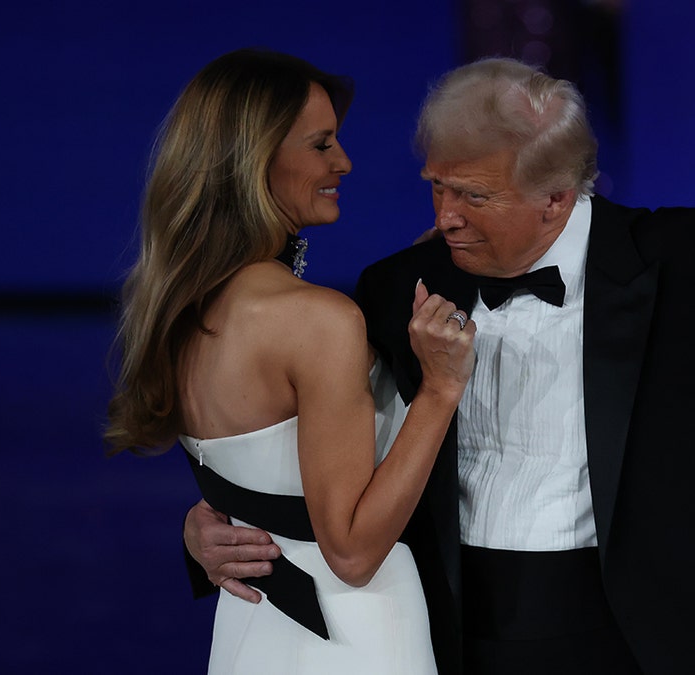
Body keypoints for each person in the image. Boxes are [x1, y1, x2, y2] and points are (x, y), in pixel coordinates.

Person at [185, 57, 695, 674]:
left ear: (557, 195)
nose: (445, 217)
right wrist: (210, 529)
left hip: (659, 637)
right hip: (459, 631)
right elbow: (308, 440)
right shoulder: (394, 285)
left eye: (473, 196)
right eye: (436, 186)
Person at [105, 49, 477, 674]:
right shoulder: (318, 320)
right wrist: (440, 389)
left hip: (253, 628)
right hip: (353, 630)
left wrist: (200, 529)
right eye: (321, 144)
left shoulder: (180, 304)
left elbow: (255, 477)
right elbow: (353, 555)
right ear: (256, 161)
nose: (344, 162)